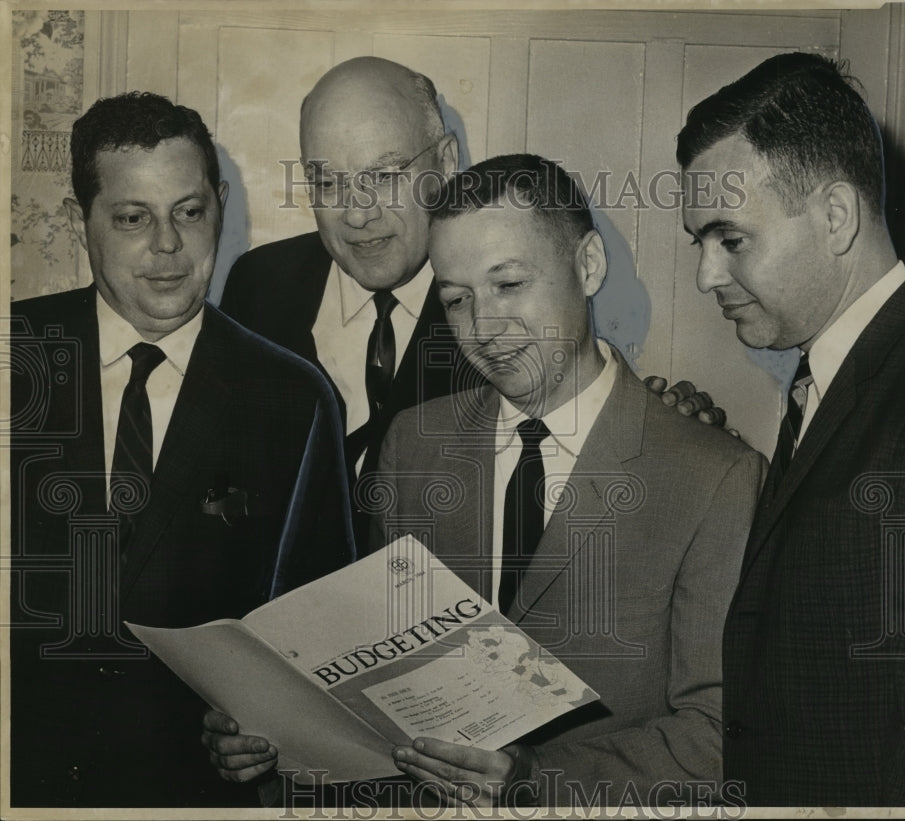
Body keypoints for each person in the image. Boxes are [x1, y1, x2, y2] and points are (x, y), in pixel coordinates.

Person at [204, 154, 766, 810]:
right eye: (457, 299)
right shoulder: (414, 446)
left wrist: (533, 778)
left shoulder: (714, 475)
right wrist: (272, 738)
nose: (484, 328)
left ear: (588, 266)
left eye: (509, 284)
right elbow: (376, 696)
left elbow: (719, 738)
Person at [220, 56, 723, 554]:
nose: (357, 213)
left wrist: (673, 423)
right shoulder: (260, 285)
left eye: (386, 175)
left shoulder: (503, 311)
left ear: (444, 162)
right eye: (328, 182)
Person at [8, 92, 354, 808]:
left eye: (189, 212)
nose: (168, 246)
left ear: (220, 205)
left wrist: (268, 736)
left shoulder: (293, 397)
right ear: (81, 222)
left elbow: (324, 644)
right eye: (133, 218)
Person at [677, 52, 905, 806]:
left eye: (731, 238)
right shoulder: (844, 377)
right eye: (700, 243)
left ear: (836, 216)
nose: (705, 276)